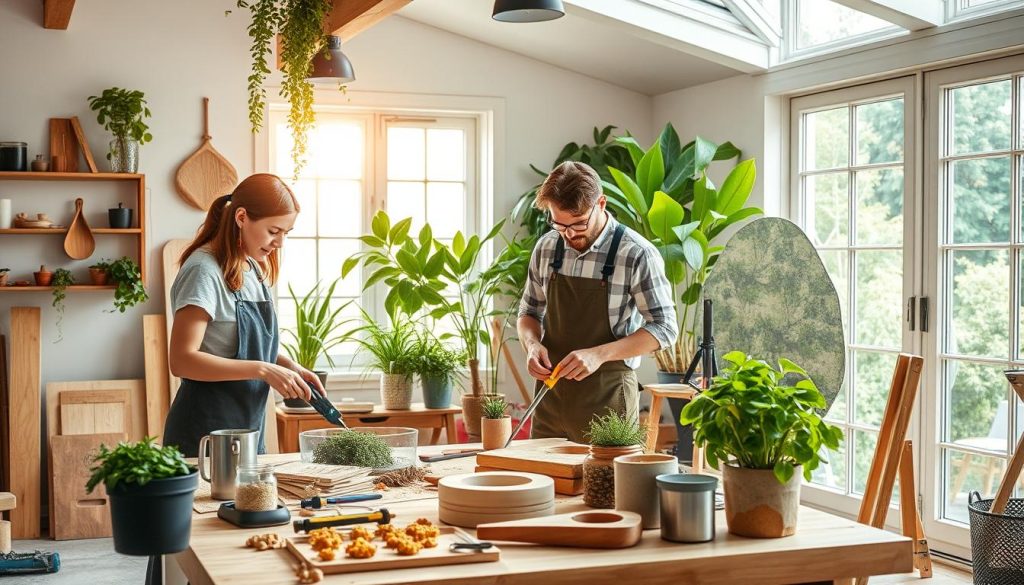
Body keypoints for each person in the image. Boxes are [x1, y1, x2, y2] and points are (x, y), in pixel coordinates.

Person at [517, 161, 678, 443]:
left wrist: (598, 354)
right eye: (559, 223)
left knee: (608, 486)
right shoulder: (546, 247)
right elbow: (528, 312)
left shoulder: (636, 254)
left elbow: (665, 328)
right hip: (550, 400)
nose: (569, 234)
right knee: (545, 483)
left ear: (600, 204)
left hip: (609, 400)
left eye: (579, 223)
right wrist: (531, 345)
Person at [163, 173, 320, 457]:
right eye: (274, 231)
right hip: (204, 435)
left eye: (286, 232)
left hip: (247, 432)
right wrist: (263, 370)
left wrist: (289, 366)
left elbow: (240, 347)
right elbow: (182, 360)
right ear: (241, 217)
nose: (280, 242)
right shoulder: (204, 270)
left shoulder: (252, 267)